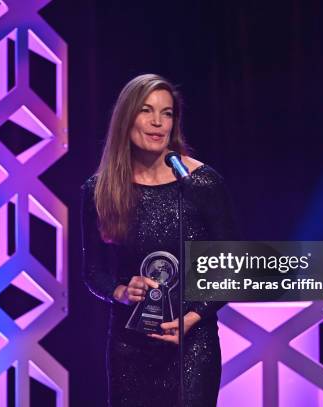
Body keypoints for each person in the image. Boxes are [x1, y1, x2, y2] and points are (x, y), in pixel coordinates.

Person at [80, 73, 238, 407]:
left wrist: (193, 317)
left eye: (167, 113)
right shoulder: (100, 190)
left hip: (193, 343)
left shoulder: (200, 183)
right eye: (147, 111)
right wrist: (122, 292)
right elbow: (93, 271)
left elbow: (230, 266)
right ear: (127, 118)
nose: (157, 122)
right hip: (129, 346)